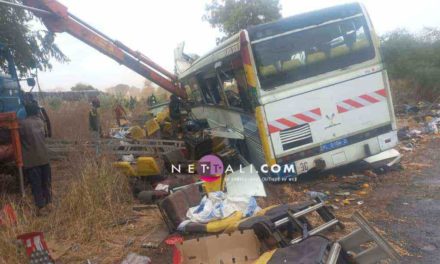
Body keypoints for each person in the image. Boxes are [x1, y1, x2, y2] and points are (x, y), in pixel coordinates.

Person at [19, 101, 51, 216]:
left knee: (36, 184)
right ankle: (48, 204)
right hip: (44, 158)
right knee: (46, 182)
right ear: (36, 111)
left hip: (32, 161)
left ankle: (41, 207)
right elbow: (46, 135)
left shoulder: (22, 124)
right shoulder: (40, 122)